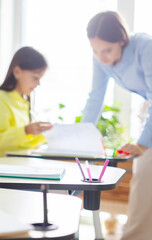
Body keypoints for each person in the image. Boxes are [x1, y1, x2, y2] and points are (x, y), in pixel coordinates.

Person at [82, 11, 152, 240]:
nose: (101, 57)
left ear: (122, 40)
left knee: (146, 170)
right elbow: (95, 98)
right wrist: (82, 136)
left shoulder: (145, 47)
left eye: (107, 50)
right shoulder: (100, 59)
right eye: (95, 50)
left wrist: (143, 143)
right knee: (144, 173)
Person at [0, 47, 53, 162]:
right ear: (17, 72)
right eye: (35, 78)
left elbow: (22, 142)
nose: (38, 84)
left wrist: (47, 136)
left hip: (16, 163)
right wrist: (26, 130)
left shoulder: (22, 100)